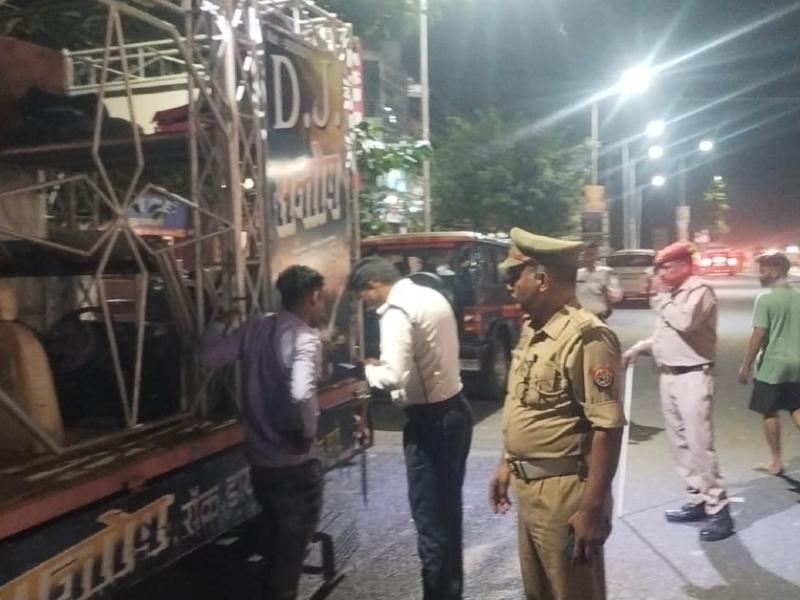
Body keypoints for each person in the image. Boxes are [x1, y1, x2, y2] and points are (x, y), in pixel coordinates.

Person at [488, 228, 625, 600]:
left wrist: (591, 509)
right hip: (529, 488)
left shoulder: (587, 336)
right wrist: (507, 460)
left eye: (514, 275)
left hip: (565, 495)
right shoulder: (533, 329)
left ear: (541, 278)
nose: (509, 285)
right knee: (539, 593)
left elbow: (607, 428)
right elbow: (524, 404)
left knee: (574, 593)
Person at [199, 265, 326, 600]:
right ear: (313, 296)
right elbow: (302, 392)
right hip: (294, 464)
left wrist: (218, 324)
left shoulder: (256, 326)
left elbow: (209, 357)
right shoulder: (305, 338)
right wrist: (305, 434)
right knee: (291, 551)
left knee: (274, 538)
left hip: (260, 460)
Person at [349, 256, 472, 600]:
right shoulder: (430, 295)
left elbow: (393, 376)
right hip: (455, 411)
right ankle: (451, 592)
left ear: (373, 285)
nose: (366, 304)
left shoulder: (396, 310)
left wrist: (362, 370)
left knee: (430, 523)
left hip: (431, 422)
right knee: (448, 515)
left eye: (363, 296)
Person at [623, 241, 734, 542]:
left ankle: (719, 509)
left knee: (699, 444)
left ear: (685, 266)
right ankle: (698, 498)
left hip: (694, 376)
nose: (660, 273)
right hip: (669, 375)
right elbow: (665, 335)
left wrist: (660, 296)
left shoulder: (700, 291)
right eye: (660, 268)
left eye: (666, 267)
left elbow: (685, 323)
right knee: (679, 444)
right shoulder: (671, 295)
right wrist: (641, 347)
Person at [738, 252, 800, 475]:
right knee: (796, 407)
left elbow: (759, 334)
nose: (759, 275)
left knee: (769, 411)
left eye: (762, 271)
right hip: (797, 363)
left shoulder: (765, 300)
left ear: (775, 271)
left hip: (773, 366)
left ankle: (776, 461)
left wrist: (746, 364)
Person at [576, 242, 622, 320]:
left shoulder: (605, 272)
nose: (588, 258)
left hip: (599, 315)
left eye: (591, 255)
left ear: (596, 256)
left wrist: (606, 292)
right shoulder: (577, 274)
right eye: (586, 255)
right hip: (581, 316)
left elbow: (616, 295)